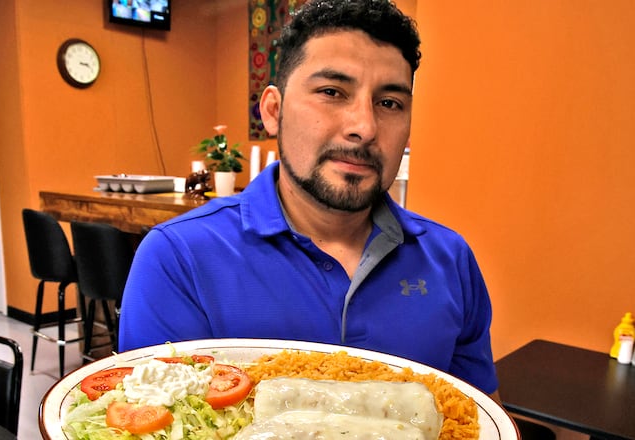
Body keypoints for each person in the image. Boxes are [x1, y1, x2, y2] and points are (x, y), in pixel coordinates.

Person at [119, 0, 499, 396]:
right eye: (332, 91)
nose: (364, 127)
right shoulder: (180, 259)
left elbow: (480, 415)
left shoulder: (450, 260)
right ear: (273, 111)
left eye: (389, 103)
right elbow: (152, 418)